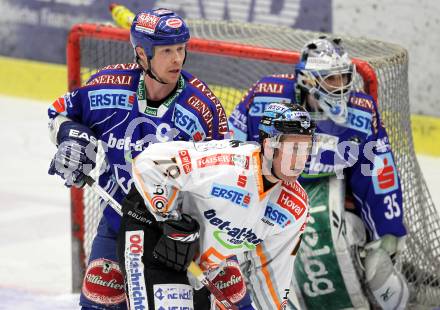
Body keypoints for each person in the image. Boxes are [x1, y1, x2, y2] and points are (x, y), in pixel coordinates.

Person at [48, 8, 228, 310]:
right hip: (117, 222)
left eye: (181, 49)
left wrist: (201, 238)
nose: (177, 59)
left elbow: (223, 175)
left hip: (174, 237)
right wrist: (72, 139)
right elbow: (60, 112)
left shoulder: (202, 109)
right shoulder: (108, 87)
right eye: (167, 50)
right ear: (142, 55)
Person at [228, 37, 408, 309]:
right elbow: (233, 153)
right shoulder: (265, 97)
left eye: (344, 77)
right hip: (267, 197)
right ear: (307, 80)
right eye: (330, 79)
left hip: (326, 200)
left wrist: (386, 234)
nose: (341, 87)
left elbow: (379, 175)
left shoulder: (361, 113)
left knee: (381, 277)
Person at [117, 102, 315, 309]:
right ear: (268, 144)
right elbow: (152, 162)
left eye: (306, 148)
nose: (299, 160)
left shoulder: (294, 206)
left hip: (197, 266)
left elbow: (273, 272)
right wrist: (171, 219)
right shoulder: (226, 166)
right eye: (293, 148)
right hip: (153, 232)